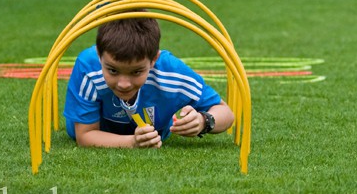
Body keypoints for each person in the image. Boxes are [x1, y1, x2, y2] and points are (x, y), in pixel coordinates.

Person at [63, 15, 235, 149]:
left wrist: (203, 121)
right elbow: (85, 136)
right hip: (99, 131)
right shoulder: (89, 68)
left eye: (136, 71)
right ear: (99, 55)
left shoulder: (171, 72)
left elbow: (226, 113)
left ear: (154, 60)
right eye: (113, 70)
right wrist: (132, 142)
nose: (124, 83)